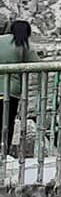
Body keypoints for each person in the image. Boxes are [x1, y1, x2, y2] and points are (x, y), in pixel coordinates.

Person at [0, 17, 32, 157]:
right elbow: (37, 63)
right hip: (11, 92)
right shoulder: (23, 44)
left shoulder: (1, 40)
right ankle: (3, 153)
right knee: (7, 123)